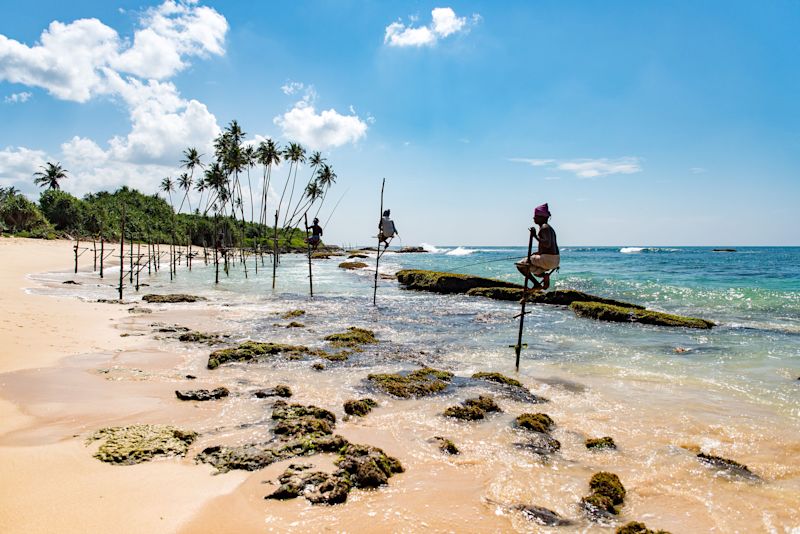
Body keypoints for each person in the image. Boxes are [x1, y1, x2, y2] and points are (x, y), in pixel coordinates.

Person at [515, 203, 559, 290]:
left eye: (536, 216)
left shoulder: (544, 227)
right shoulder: (549, 228)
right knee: (532, 268)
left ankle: (536, 284)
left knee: (520, 265)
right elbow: (549, 247)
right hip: (554, 260)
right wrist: (539, 253)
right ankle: (545, 276)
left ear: (542, 217)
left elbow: (547, 244)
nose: (534, 218)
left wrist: (534, 236)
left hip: (547, 259)